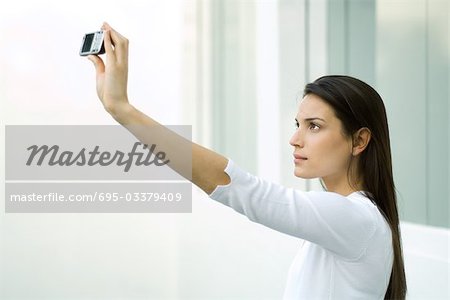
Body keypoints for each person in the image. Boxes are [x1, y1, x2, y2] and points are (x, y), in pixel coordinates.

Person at [87, 22, 407, 300]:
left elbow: (245, 191)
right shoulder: (350, 222)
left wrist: (123, 110)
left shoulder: (355, 218)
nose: (295, 139)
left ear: (360, 141)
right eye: (299, 125)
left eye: (315, 126)